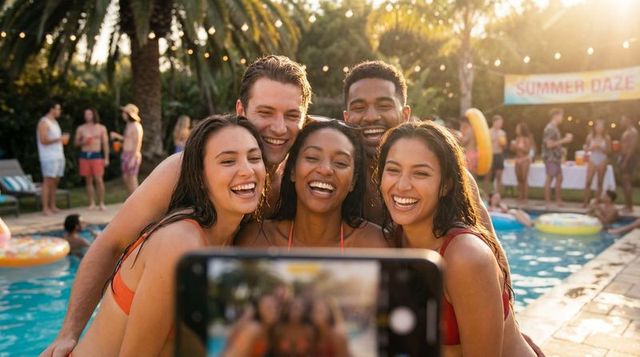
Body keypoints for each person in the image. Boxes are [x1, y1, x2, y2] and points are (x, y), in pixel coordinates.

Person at [42, 55, 311, 356]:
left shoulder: (290, 185)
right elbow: (110, 243)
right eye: (265, 112)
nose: (279, 127)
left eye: (291, 115)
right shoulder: (181, 176)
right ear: (241, 110)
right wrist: (68, 332)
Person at [69, 115, 267, 356]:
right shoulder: (179, 242)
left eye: (254, 158)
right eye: (227, 161)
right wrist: (67, 333)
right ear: (201, 178)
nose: (247, 170)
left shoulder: (231, 240)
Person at [376, 121, 538, 356]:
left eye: (420, 173)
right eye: (393, 170)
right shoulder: (392, 240)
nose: (402, 185)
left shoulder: (465, 256)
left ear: (446, 185)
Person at [342, 60, 497, 237]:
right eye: (359, 108)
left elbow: (495, 257)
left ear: (405, 115)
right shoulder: (339, 179)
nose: (371, 117)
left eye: (384, 106)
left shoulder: (448, 180)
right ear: (346, 118)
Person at [235, 119, 388, 249]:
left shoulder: (375, 245)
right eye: (313, 158)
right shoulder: (256, 240)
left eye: (340, 163)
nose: (325, 170)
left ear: (353, 182)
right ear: (293, 170)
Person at [37, 101, 69, 215]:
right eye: (58, 109)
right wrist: (59, 139)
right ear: (51, 109)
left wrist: (60, 140)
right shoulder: (44, 122)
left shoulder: (55, 122)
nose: (59, 111)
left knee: (55, 181)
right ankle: (45, 208)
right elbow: (43, 140)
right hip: (48, 157)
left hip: (59, 155)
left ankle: (53, 205)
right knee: (47, 181)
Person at [74, 108, 109, 210]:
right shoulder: (81, 128)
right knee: (88, 180)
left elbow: (105, 144)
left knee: (99, 179)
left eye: (89, 114)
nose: (87, 116)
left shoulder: (101, 128)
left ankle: (101, 203)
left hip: (96, 155)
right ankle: (91, 203)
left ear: (94, 115)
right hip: (84, 155)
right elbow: (76, 143)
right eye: (86, 114)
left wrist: (106, 158)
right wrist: (83, 141)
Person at [110, 103, 144, 195]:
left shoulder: (137, 126)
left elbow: (138, 142)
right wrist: (118, 138)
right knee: (126, 178)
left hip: (133, 154)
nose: (123, 115)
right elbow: (128, 139)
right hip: (125, 154)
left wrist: (134, 157)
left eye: (124, 113)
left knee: (132, 178)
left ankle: (138, 202)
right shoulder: (129, 125)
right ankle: (131, 199)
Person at [542, 108, 573, 208]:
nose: (562, 118)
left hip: (556, 158)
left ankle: (558, 201)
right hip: (551, 158)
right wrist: (564, 140)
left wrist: (561, 148)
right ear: (555, 116)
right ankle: (547, 203)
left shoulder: (554, 128)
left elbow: (554, 144)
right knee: (550, 178)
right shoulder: (550, 128)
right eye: (561, 116)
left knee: (559, 178)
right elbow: (549, 145)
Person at [583, 119, 611, 207]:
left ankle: (596, 202)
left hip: (602, 159)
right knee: (588, 181)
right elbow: (586, 148)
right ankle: (585, 202)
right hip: (593, 158)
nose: (599, 128)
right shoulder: (590, 137)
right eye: (597, 126)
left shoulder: (606, 138)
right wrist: (590, 148)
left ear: (603, 128)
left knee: (599, 182)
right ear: (595, 127)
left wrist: (600, 147)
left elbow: (609, 151)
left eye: (601, 126)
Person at [619, 115, 638, 213]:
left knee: (627, 182)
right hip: (624, 157)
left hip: (629, 158)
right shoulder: (627, 131)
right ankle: (627, 205)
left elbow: (632, 148)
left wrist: (626, 161)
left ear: (628, 120)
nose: (621, 121)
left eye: (622, 119)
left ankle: (630, 207)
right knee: (624, 182)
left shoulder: (633, 132)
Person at [511, 122, 533, 204]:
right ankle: (520, 196)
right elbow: (514, 150)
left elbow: (527, 151)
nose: (516, 130)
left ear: (521, 129)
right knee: (519, 178)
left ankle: (525, 197)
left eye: (518, 128)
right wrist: (513, 147)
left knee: (524, 178)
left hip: (525, 160)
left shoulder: (526, 139)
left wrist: (518, 147)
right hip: (517, 159)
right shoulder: (517, 138)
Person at [487, 115, 507, 192]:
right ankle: (486, 193)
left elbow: (505, 146)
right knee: (488, 175)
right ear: (494, 122)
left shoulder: (502, 133)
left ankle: (497, 193)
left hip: (499, 154)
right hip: (491, 155)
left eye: (501, 123)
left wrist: (503, 144)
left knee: (499, 175)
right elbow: (486, 144)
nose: (500, 124)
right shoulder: (488, 131)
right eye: (498, 122)